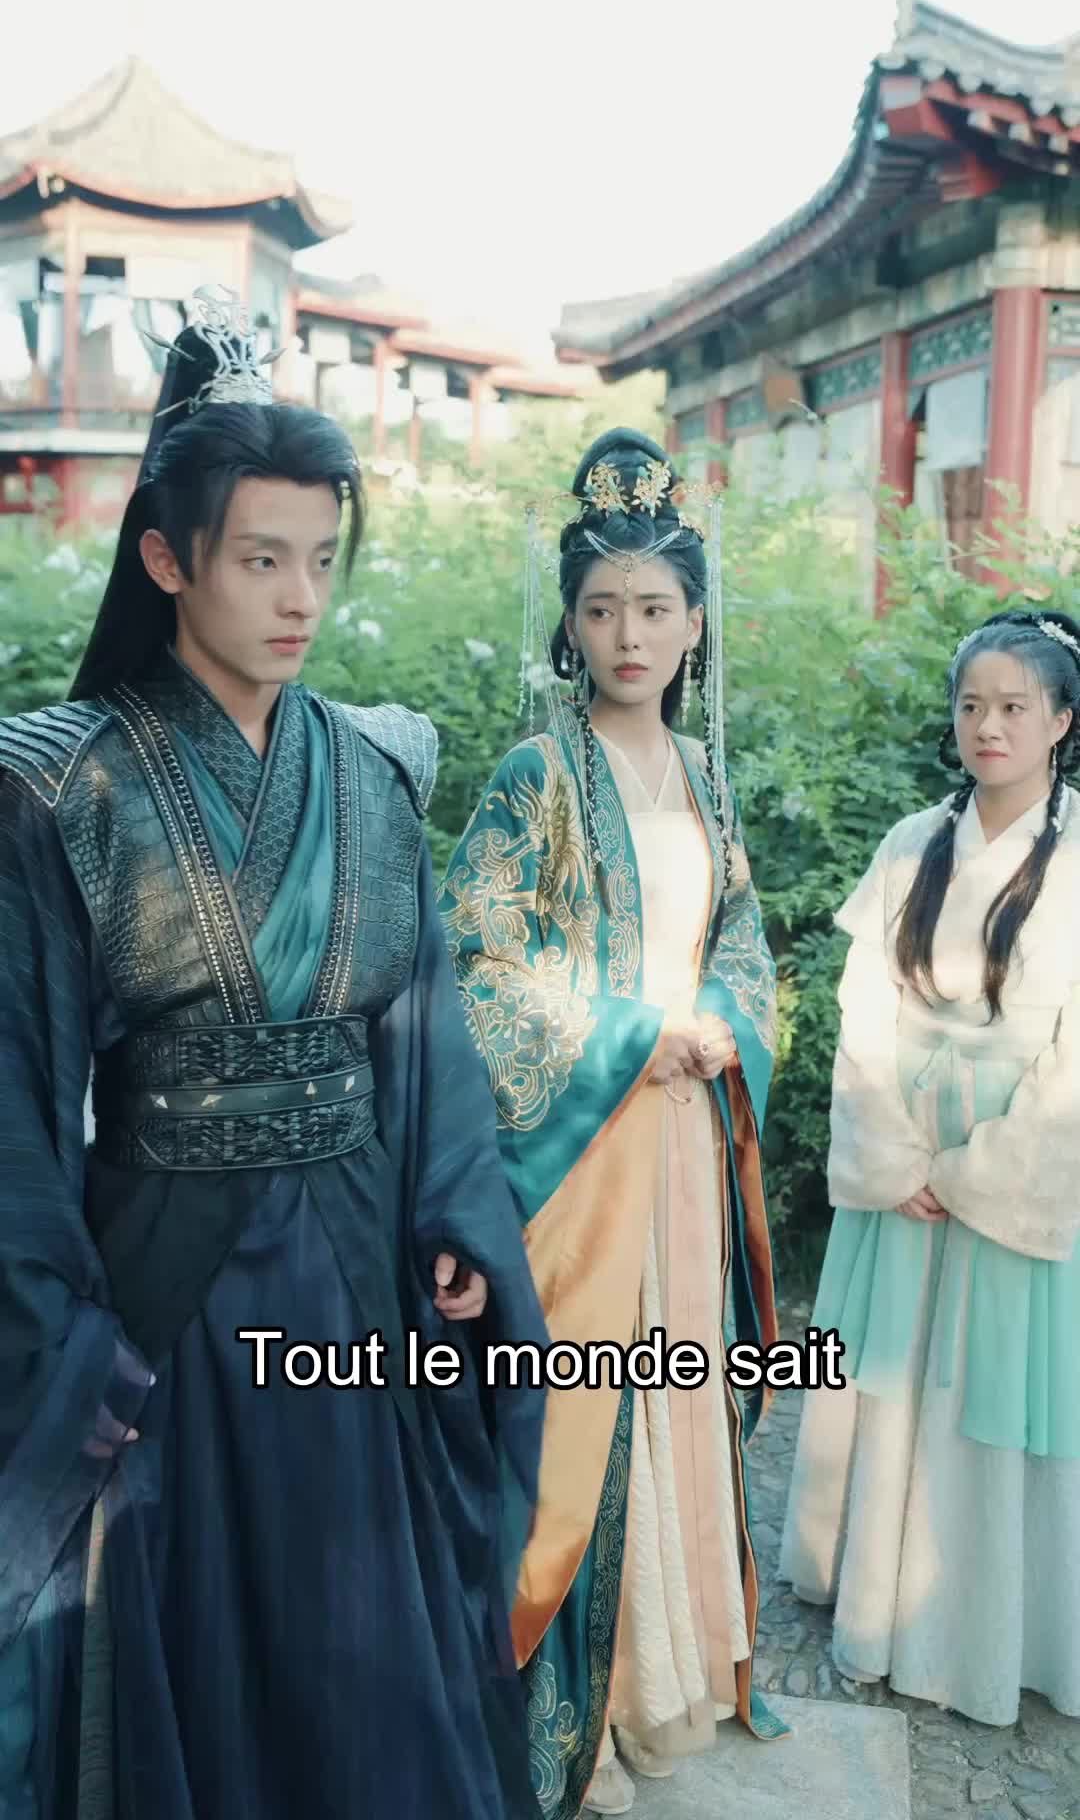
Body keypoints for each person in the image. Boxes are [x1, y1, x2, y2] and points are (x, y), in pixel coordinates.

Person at [0, 289, 547, 1820]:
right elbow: (16, 1095)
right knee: (191, 1642)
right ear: (167, 560)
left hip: (360, 1274)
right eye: (259, 559)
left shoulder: (374, 771)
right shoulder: (62, 788)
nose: (299, 597)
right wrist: (62, 1342)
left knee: (367, 1651)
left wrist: (457, 1222)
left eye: (320, 557)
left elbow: (421, 1025)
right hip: (166, 1296)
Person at [438, 429, 785, 1818]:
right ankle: (567, 1722)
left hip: (687, 1137)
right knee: (585, 1413)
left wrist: (727, 1020)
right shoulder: (537, 773)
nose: (627, 636)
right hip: (586, 1147)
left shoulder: (706, 778)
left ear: (696, 623)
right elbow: (477, 958)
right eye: (601, 608)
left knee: (680, 1397)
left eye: (653, 607)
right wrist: (637, 1034)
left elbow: (742, 935)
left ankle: (668, 1683)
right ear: (569, 626)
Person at [779, 608, 1080, 1726]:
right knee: (888, 1371)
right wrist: (895, 1152)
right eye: (971, 705)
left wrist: (979, 1171)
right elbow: (863, 1008)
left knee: (990, 1390)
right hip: (902, 1147)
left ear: (1062, 720)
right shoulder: (914, 841)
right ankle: (868, 1590)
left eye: (1014, 707)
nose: (988, 726)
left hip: (1016, 1158)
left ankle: (984, 1631)